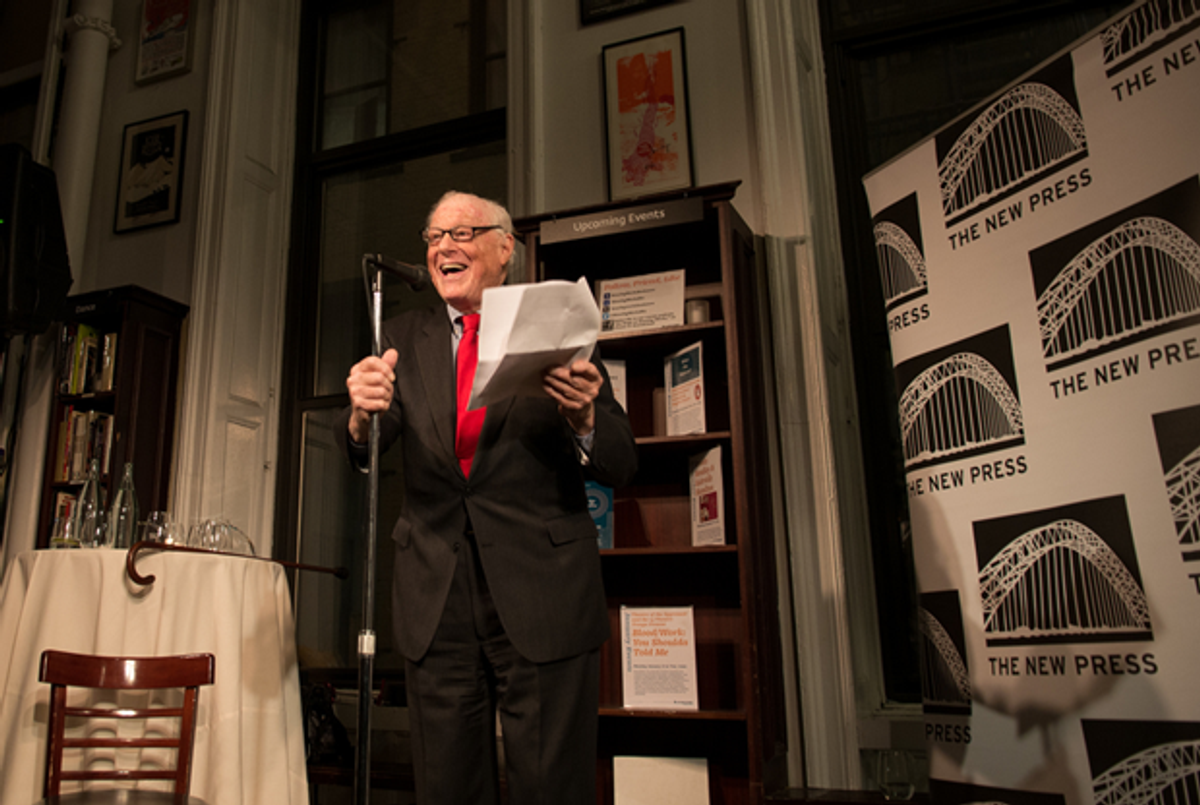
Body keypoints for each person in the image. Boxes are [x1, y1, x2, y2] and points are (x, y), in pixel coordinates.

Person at [338, 190, 638, 804]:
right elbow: (370, 446)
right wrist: (358, 416)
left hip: (543, 591)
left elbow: (621, 462)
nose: (444, 245)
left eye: (463, 232)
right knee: (448, 789)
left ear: (505, 249)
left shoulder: (555, 325)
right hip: (435, 599)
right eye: (433, 236)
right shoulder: (397, 336)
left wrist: (582, 416)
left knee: (551, 788)